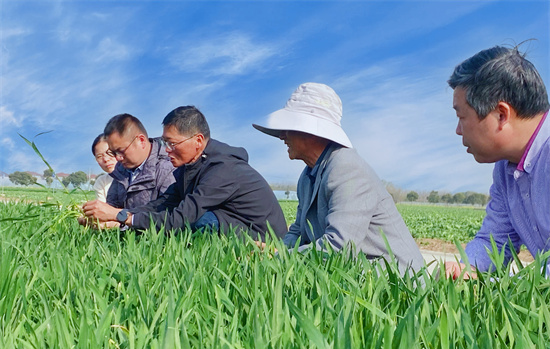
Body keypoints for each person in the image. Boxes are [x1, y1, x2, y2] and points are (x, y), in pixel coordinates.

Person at [253, 82, 424, 274]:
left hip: (393, 282)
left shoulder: (346, 168)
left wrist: (278, 259)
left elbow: (340, 247)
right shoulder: (308, 175)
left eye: (288, 128)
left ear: (311, 132)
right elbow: (299, 231)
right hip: (355, 275)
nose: (282, 136)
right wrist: (273, 252)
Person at [83, 106, 288, 240]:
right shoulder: (189, 166)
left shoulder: (223, 169)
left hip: (263, 238)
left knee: (197, 221)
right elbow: (163, 203)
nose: (167, 149)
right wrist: (118, 218)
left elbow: (181, 217)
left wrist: (120, 216)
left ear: (198, 141)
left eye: (172, 143)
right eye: (165, 142)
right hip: (230, 223)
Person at [445, 45, 550, 280]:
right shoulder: (506, 169)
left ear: (501, 114)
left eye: (462, 117)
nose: (458, 130)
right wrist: (466, 272)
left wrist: (499, 288)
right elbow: (496, 239)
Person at [81, 114, 176, 226]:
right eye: (114, 152)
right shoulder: (121, 169)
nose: (118, 158)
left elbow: (167, 219)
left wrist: (120, 224)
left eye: (121, 151)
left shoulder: (168, 168)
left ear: (141, 141)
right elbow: (112, 207)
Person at [91, 133, 116, 202]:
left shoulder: (138, 176)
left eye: (110, 153)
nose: (105, 159)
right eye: (99, 156)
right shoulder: (102, 182)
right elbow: (102, 210)